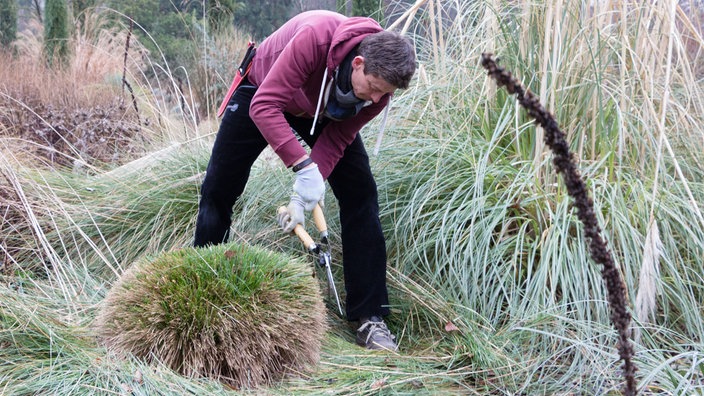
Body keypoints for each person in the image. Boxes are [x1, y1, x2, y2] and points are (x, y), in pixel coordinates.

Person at [194, 9, 416, 351]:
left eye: (382, 95)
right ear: (358, 63)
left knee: (361, 195)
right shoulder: (315, 37)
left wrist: (305, 193)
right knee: (218, 188)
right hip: (263, 90)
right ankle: (201, 282)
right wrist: (301, 165)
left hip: (322, 112)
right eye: (372, 88)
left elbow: (338, 139)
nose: (375, 100)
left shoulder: (379, 92)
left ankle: (370, 317)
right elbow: (265, 105)